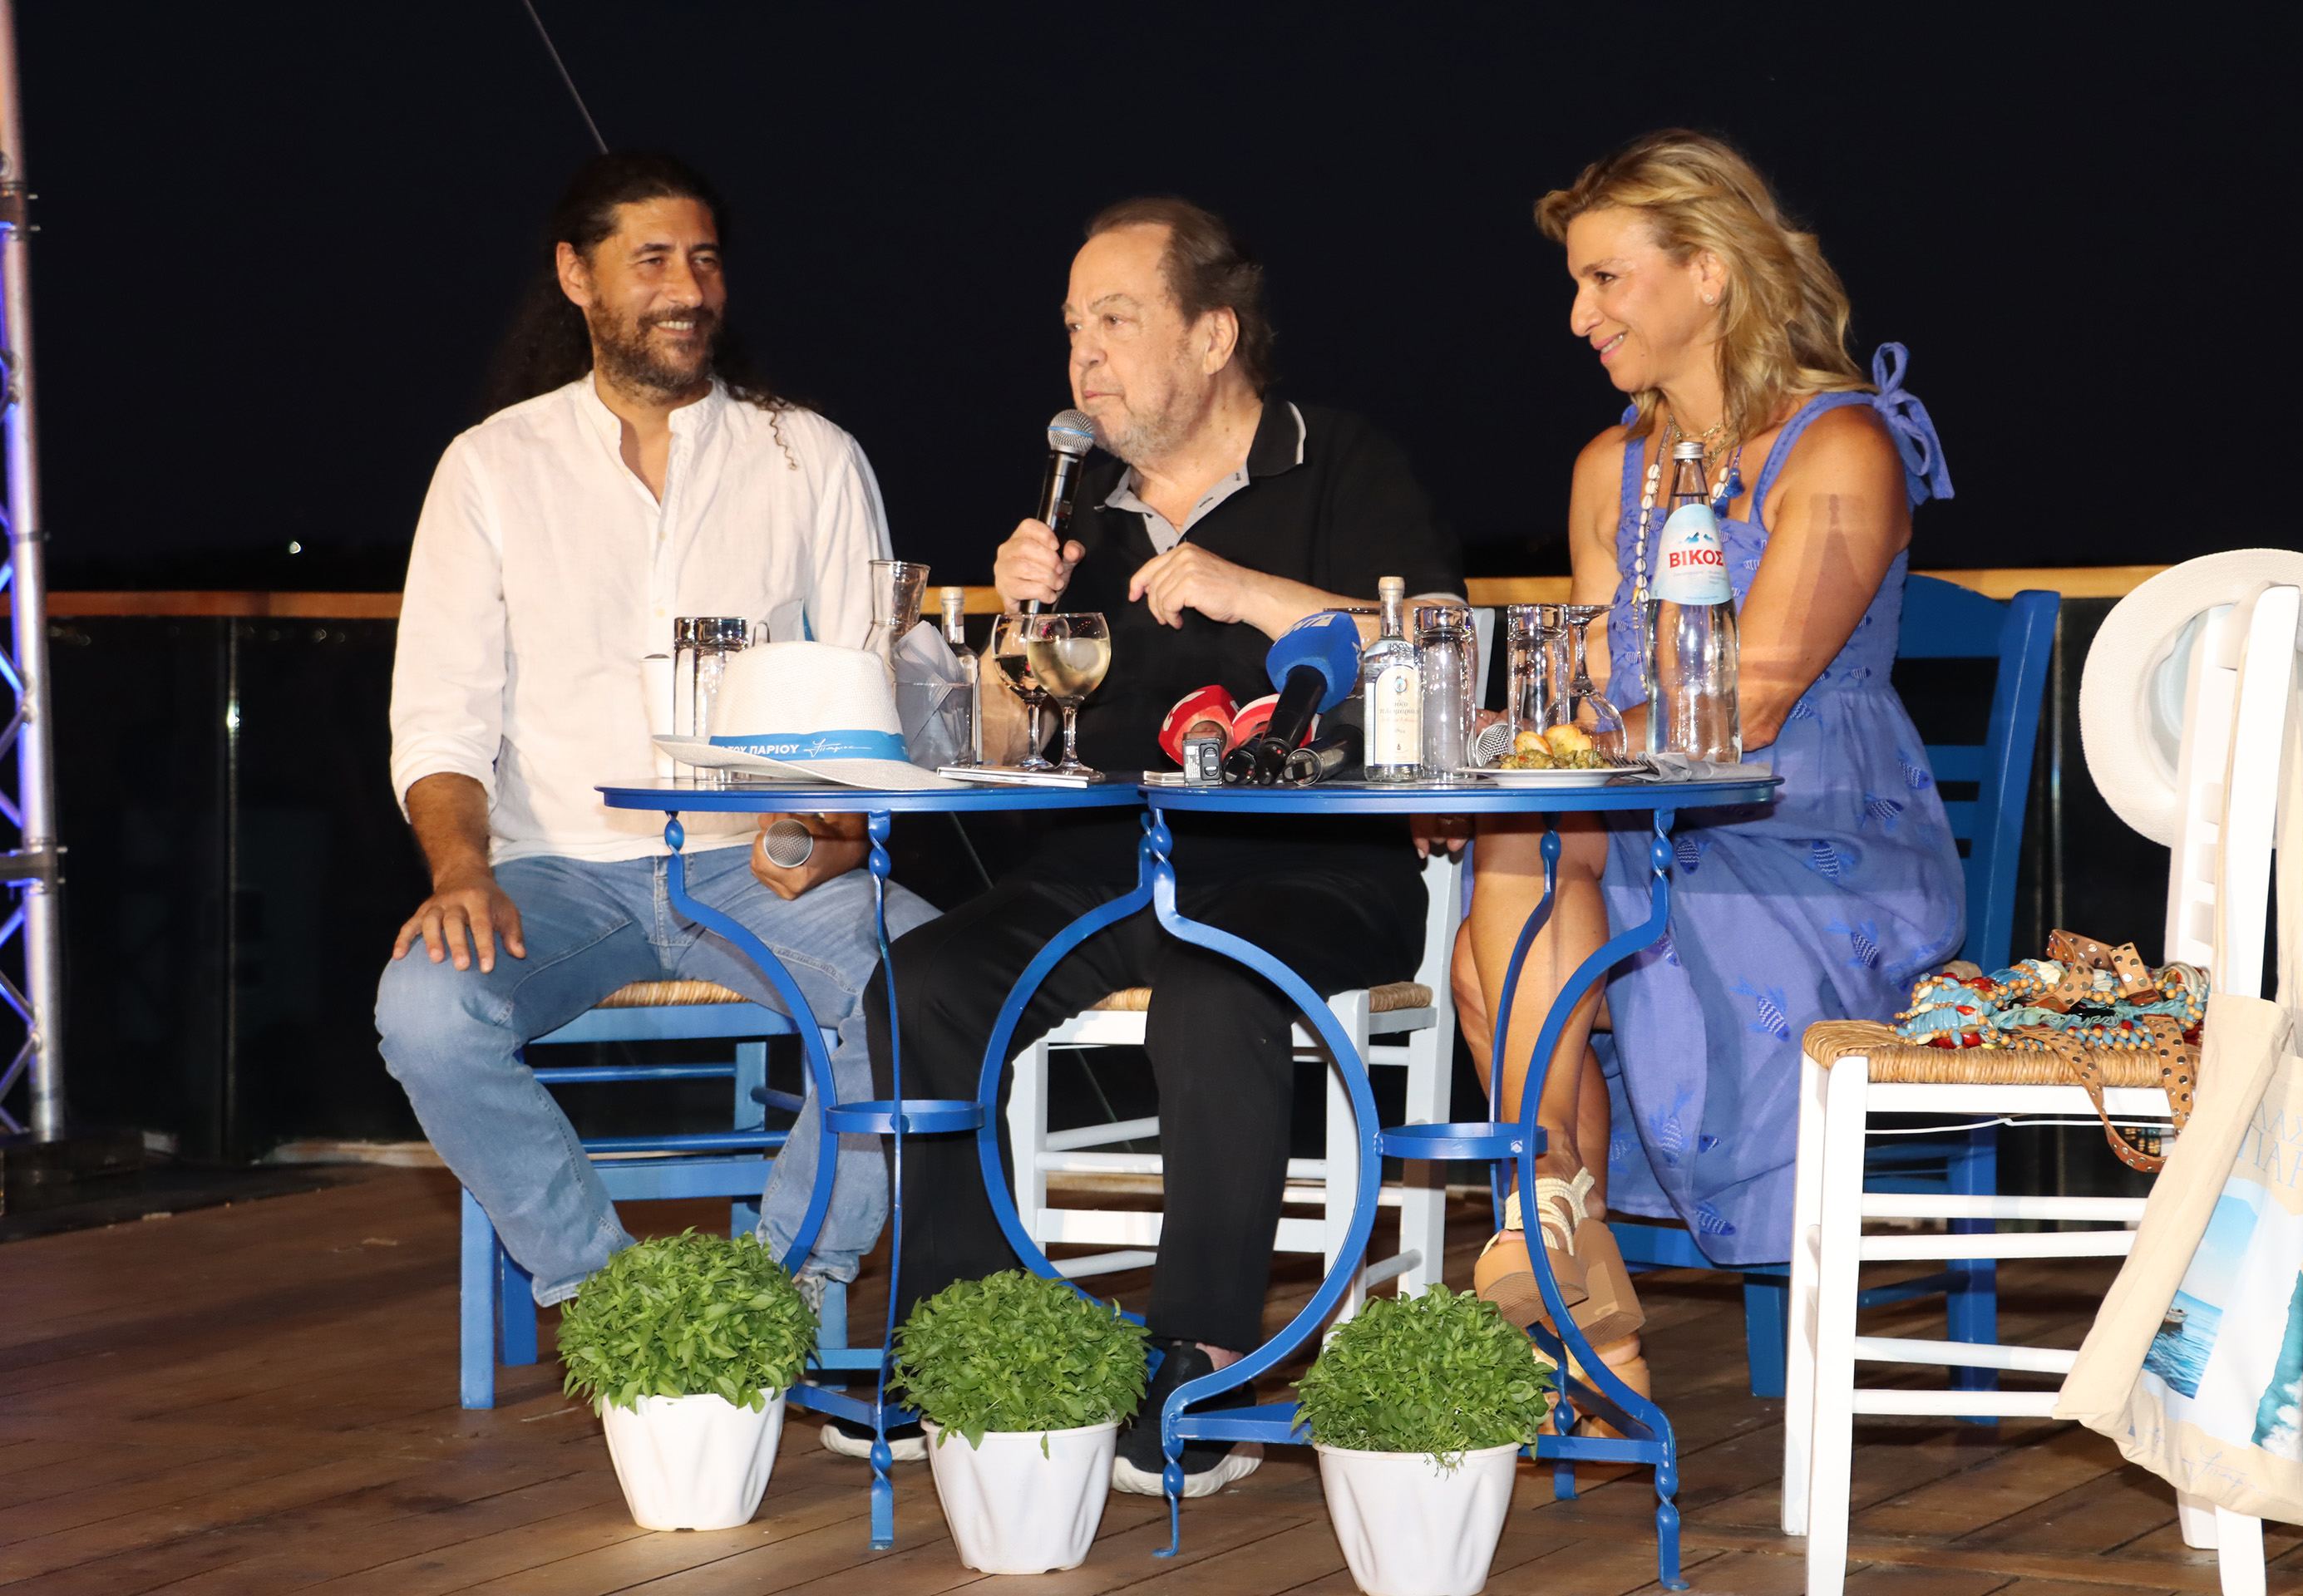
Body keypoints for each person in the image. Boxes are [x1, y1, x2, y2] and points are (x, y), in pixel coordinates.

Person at [873, 197, 1466, 1495]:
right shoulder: (1077, 506)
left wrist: (1244, 591)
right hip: (1117, 862)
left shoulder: (1339, 458)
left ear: (1212, 337)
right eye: (1071, 326)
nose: (1082, 354)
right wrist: (1015, 639)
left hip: (1323, 864)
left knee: (1214, 982)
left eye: (1116, 319)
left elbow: (1441, 653)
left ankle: (1203, 1356)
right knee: (921, 982)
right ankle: (967, 1346)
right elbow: (1010, 751)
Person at [377, 154, 935, 1445]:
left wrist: (836, 824)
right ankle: (613, 1302)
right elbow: (441, 714)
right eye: (653, 260)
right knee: (427, 1013)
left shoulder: (807, 455)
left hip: (762, 857)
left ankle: (776, 1300)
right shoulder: (492, 468)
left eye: (706, 259)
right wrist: (461, 874)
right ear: (576, 277)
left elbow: (878, 671)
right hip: (557, 872)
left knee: (928, 990)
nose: (688, 288)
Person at [1442, 131, 1963, 1410]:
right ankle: (1567, 1247)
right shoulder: (1607, 471)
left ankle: (1555, 1250)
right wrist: (1506, 759)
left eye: (1606, 280)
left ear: (1711, 271)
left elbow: (1750, 701)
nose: (1580, 317)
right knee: (1517, 845)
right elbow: (1589, 690)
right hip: (1639, 831)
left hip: (1805, 833)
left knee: (1492, 934)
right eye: (1577, 285)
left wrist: (1546, 761)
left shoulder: (1843, 447)